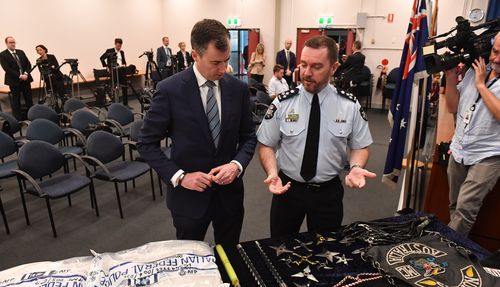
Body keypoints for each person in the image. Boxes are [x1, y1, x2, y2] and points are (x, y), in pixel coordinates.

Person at [138, 19, 257, 247]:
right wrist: (180, 177)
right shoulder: (169, 90)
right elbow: (146, 144)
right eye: (215, 63)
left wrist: (236, 165)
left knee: (230, 257)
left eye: (226, 61)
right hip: (188, 200)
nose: (224, 69)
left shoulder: (238, 89)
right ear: (195, 55)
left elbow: (249, 137)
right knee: (189, 263)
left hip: (229, 197)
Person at [257, 36, 375, 238]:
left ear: (334, 67)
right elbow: (266, 144)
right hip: (287, 189)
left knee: (326, 252)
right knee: (280, 249)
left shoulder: (349, 105)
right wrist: (271, 171)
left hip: (327, 193)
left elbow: (360, 146)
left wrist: (356, 167)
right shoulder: (283, 103)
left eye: (317, 66)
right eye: (303, 65)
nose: (307, 73)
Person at [444, 32, 500, 237]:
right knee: (455, 203)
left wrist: (481, 86)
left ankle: (448, 251)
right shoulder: (475, 70)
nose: (496, 58)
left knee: (465, 208)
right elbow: (452, 106)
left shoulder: (479, 77)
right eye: (495, 51)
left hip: (488, 154)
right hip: (460, 148)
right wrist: (450, 78)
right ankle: (457, 245)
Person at [0, 36, 33, 120]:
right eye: (10, 42)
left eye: (14, 42)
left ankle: (32, 117)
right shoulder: (3, 54)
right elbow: (7, 68)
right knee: (16, 101)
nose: (13, 44)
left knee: (29, 99)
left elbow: (28, 64)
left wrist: (25, 73)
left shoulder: (21, 52)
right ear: (6, 44)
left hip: (26, 79)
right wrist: (20, 75)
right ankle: (18, 120)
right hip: (14, 81)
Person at [35, 44, 66, 109]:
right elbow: (41, 71)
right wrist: (51, 67)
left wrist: (51, 68)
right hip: (48, 80)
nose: (39, 52)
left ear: (44, 50)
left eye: (40, 50)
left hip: (57, 77)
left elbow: (56, 66)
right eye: (37, 51)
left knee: (61, 93)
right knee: (53, 94)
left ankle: (64, 106)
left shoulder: (51, 56)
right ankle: (56, 107)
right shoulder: (38, 60)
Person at [100, 38, 128, 106]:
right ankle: (115, 104)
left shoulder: (122, 52)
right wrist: (106, 66)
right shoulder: (109, 51)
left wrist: (124, 64)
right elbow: (101, 58)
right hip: (114, 71)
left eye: (120, 46)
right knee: (114, 87)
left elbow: (123, 61)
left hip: (121, 70)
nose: (119, 47)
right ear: (115, 44)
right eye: (118, 46)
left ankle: (125, 104)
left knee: (125, 86)